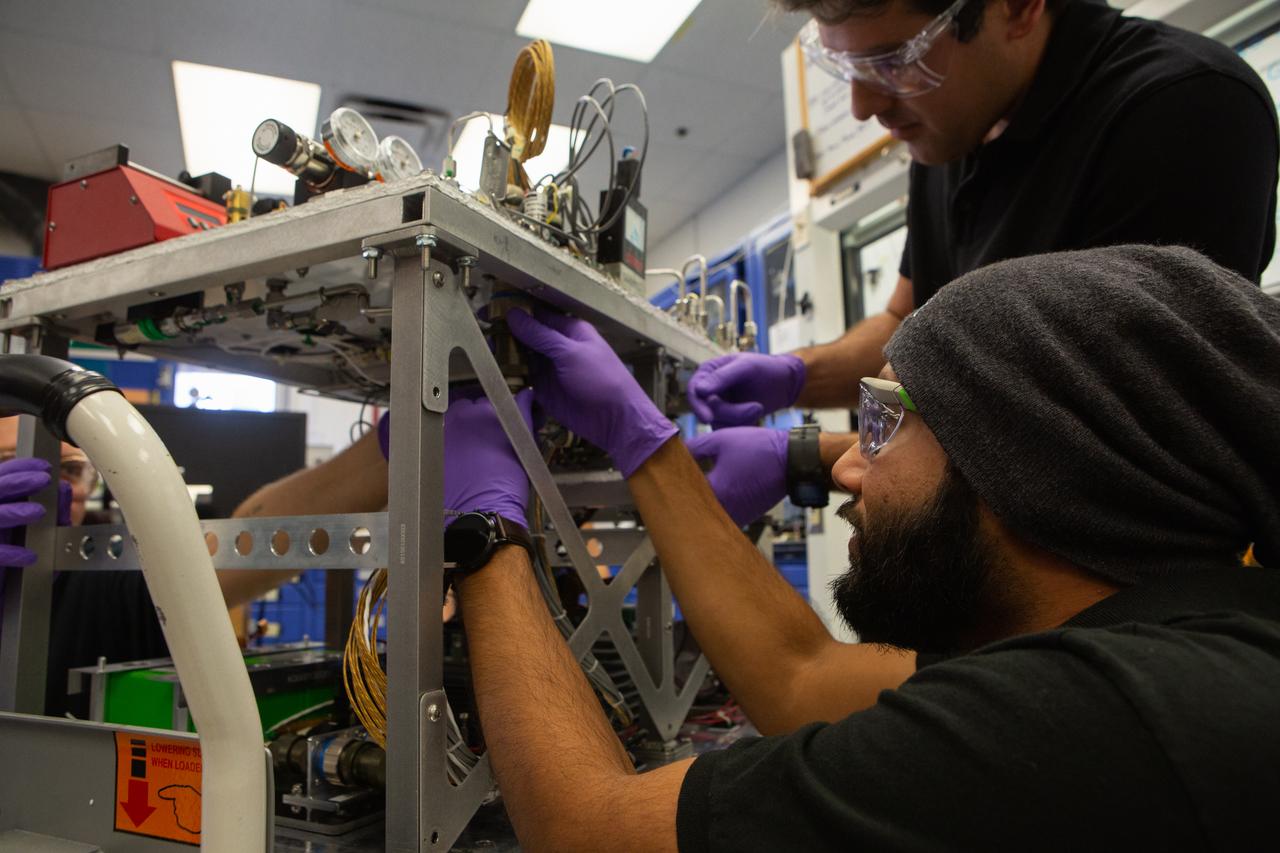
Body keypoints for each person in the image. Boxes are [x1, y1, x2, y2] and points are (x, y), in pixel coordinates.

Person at [438, 244, 1280, 850]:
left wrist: (483, 532)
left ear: (1022, 464)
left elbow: (587, 834)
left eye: (883, 424)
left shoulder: (1105, 717)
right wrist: (646, 446)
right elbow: (802, 677)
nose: (845, 468)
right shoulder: (1174, 638)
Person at [686, 0, 1279, 508]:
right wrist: (797, 377)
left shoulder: (1177, 107)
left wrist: (813, 457)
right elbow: (902, 326)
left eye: (894, 60)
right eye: (846, 66)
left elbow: (1099, 437)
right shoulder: (950, 136)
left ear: (1018, 8)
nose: (864, 106)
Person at [0, 414, 390, 716]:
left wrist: (393, 445)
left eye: (72, 470)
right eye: (11, 463)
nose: (71, 489)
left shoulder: (102, 577)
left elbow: (238, 551)